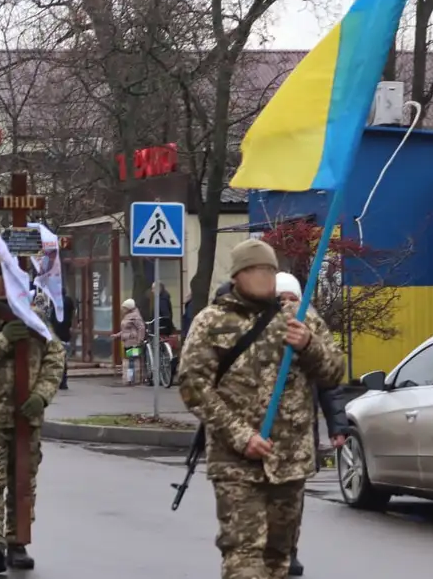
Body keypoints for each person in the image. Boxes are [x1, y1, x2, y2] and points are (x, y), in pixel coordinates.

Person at [179, 239, 344, 579]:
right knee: (244, 559)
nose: (264, 277)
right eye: (255, 270)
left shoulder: (301, 321)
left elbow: (333, 374)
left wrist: (309, 346)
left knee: (278, 559)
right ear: (238, 275)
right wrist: (241, 436)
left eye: (269, 270)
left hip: (290, 460)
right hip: (237, 464)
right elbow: (194, 387)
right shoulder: (212, 322)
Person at [0, 256, 66, 573]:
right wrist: (4, 339)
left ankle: (18, 541)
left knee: (23, 483)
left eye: (10, 277)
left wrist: (41, 395)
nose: (5, 284)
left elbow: (55, 358)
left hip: (26, 416)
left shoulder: (33, 316)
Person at [275, 271, 347, 578]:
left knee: (292, 493)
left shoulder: (311, 328)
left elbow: (330, 383)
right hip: (261, 431)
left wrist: (337, 426)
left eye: (292, 299)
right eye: (281, 300)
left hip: (299, 431)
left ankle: (288, 549)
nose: (288, 306)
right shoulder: (257, 327)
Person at [112, 299, 145, 385]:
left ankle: (132, 379)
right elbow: (125, 330)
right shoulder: (127, 316)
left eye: (124, 308)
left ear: (128, 308)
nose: (122, 309)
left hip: (133, 342)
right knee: (130, 360)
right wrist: (117, 335)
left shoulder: (135, 316)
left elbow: (141, 328)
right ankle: (130, 379)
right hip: (127, 342)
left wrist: (139, 340)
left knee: (132, 361)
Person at [48, 288, 76, 389]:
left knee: (56, 358)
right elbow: (72, 314)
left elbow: (51, 319)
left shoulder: (56, 303)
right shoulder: (68, 301)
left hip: (56, 334)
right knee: (63, 357)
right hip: (65, 334)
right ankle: (63, 381)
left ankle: (59, 380)